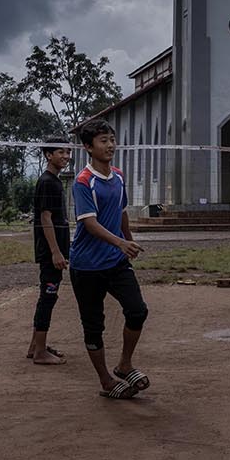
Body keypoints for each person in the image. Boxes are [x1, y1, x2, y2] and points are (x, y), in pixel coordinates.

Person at [69, 119, 151, 399]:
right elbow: (89, 224)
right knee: (94, 326)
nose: (110, 145)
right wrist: (121, 242)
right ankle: (105, 379)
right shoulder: (83, 181)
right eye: (103, 141)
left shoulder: (118, 176)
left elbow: (122, 210)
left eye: (112, 139)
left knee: (137, 310)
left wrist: (129, 241)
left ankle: (124, 365)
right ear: (88, 147)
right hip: (86, 266)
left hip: (115, 261)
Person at [26, 143, 71, 366]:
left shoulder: (54, 181)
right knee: (48, 296)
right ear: (48, 155)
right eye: (61, 152)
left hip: (56, 250)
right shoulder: (47, 182)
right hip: (50, 253)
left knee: (48, 296)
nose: (66, 156)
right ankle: (41, 352)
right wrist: (55, 252)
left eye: (68, 152)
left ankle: (36, 345)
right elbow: (45, 218)